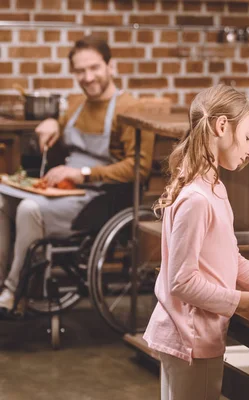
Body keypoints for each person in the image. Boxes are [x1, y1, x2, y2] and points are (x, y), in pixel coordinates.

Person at [143, 85, 249, 400]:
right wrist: (244, 301)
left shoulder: (214, 188)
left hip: (195, 334)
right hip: (191, 337)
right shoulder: (197, 198)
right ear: (222, 126)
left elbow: (228, 258)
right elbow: (182, 282)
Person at [0, 35, 155, 310]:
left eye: (94, 67)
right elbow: (60, 123)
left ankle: (14, 293)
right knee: (1, 200)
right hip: (65, 191)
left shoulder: (130, 108)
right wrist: (51, 123)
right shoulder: (75, 104)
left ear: (111, 66)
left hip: (99, 197)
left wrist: (83, 173)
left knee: (28, 209)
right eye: (80, 71)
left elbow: (139, 168)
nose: (88, 77)